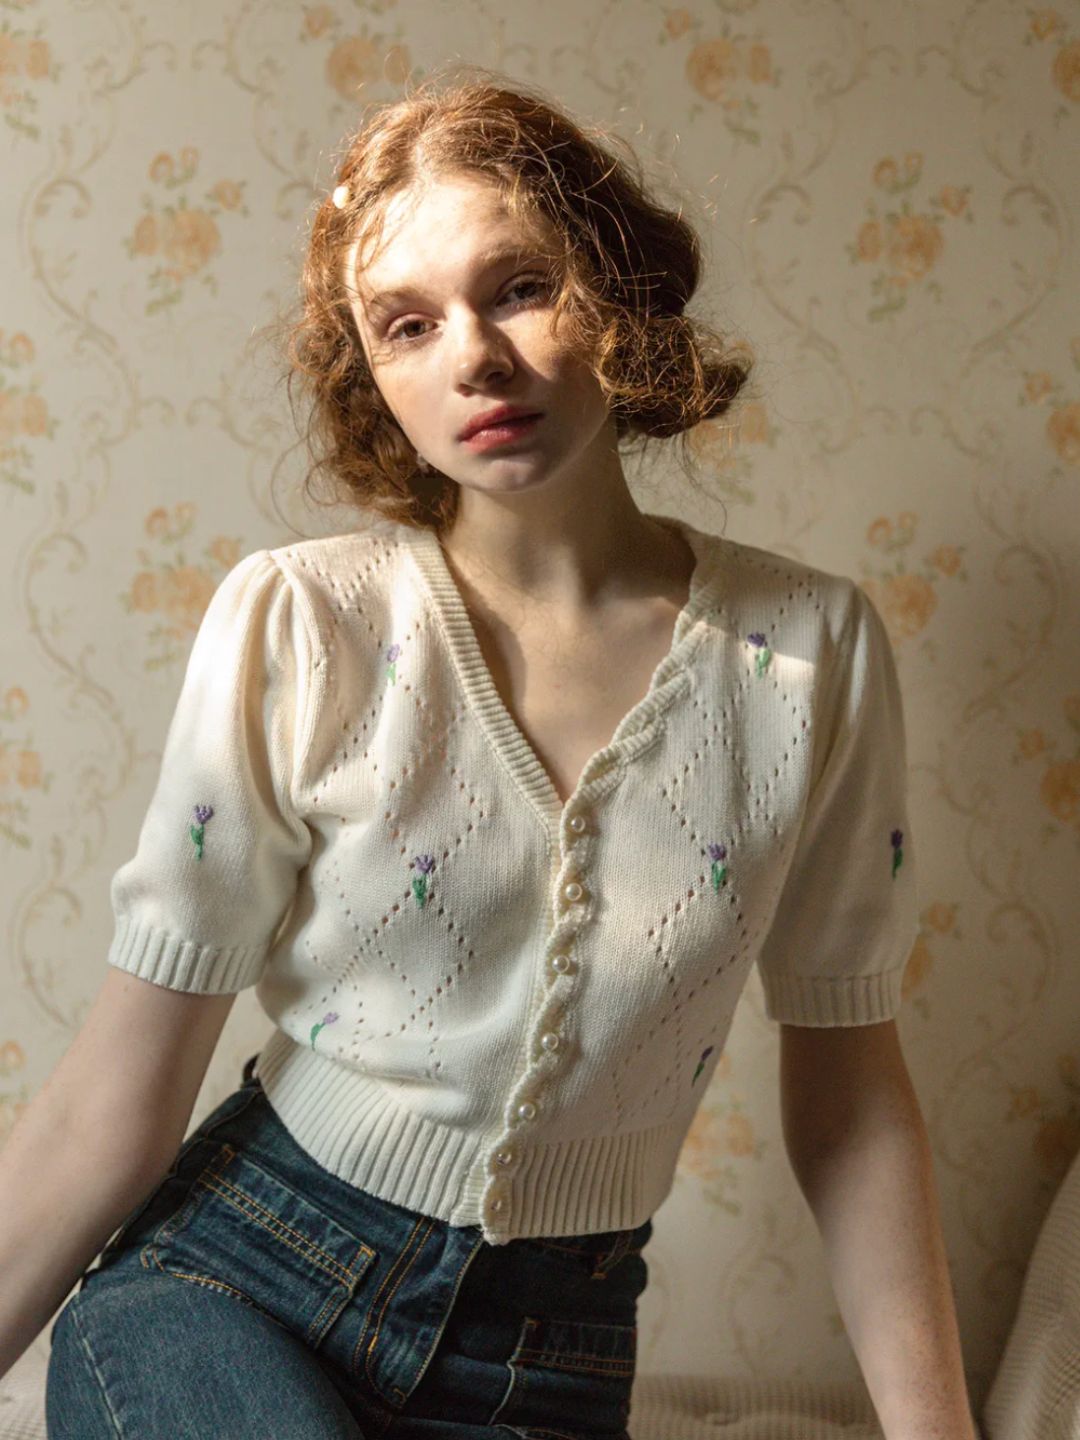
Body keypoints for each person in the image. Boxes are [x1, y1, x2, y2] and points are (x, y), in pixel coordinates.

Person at [0, 63, 976, 1439]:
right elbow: (116, 1097)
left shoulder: (809, 652)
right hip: (236, 1285)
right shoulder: (304, 624)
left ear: (615, 295)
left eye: (518, 288)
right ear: (373, 377)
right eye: (407, 324)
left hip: (552, 1360)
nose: (472, 355)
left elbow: (853, 1103)